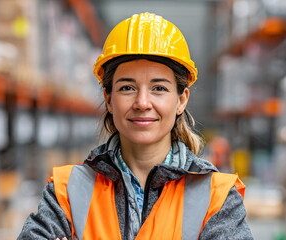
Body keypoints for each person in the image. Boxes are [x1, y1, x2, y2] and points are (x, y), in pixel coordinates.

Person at [17, 12, 253, 239]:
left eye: (158, 88)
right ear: (109, 99)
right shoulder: (67, 190)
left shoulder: (216, 196)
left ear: (181, 100)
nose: (142, 103)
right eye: (127, 88)